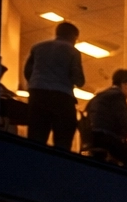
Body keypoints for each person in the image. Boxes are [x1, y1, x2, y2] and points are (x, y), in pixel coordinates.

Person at [23, 21, 85, 150]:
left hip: (37, 95)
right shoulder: (72, 51)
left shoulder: (37, 47)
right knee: (63, 138)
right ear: (73, 36)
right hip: (62, 97)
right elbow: (78, 79)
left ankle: (32, 165)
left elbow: (28, 71)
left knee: (36, 137)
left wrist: (36, 84)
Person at [85, 68, 127, 171]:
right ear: (126, 85)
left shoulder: (98, 97)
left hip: (92, 139)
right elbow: (126, 124)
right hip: (107, 140)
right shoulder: (117, 96)